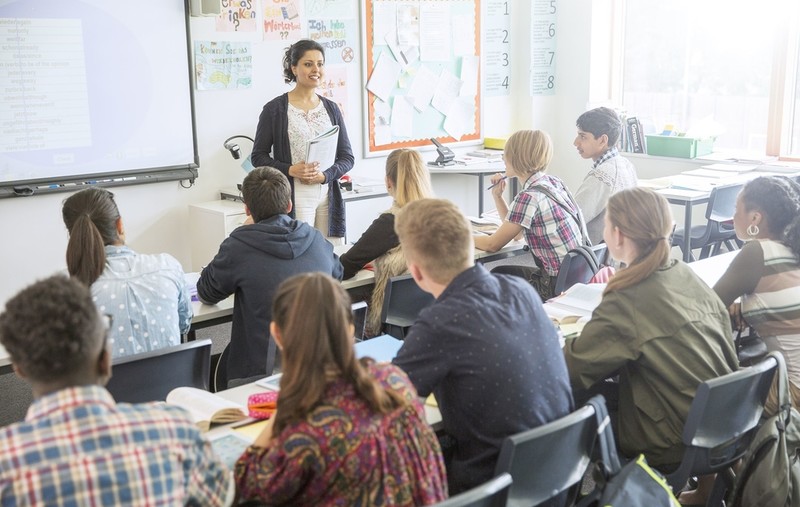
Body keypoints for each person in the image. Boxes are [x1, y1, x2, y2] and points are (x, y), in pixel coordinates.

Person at [392, 198, 573, 494]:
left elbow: (386, 398)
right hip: (557, 476)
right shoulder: (522, 291)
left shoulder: (440, 322)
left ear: (416, 272)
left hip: (490, 489)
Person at [0, 275, 232, 505]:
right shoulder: (175, 429)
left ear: (20, 370)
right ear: (105, 358)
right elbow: (222, 497)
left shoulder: (7, 461)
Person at [234, 273, 447, 506]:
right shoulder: (395, 380)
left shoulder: (304, 428)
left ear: (277, 334)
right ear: (350, 328)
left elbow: (246, 484)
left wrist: (283, 410)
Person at [563, 187, 738, 472]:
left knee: (570, 404)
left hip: (671, 441)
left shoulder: (628, 297)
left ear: (618, 235)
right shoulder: (683, 272)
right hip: (724, 424)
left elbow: (574, 369)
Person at [197, 167, 343, 387]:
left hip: (257, 376)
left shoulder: (239, 245)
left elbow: (206, 292)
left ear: (247, 209)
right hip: (318, 365)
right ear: (289, 205)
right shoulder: (314, 237)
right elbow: (337, 274)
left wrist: (238, 234)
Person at [61, 187, 191, 358]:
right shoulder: (167, 266)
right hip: (174, 383)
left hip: (107, 385)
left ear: (74, 236)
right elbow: (184, 325)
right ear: (120, 225)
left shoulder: (67, 290)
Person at [251, 39, 354, 242]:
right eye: (308, 64)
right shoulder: (275, 110)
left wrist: (325, 175)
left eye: (320, 63)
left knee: (330, 256)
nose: (316, 69)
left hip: (328, 194)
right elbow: (258, 157)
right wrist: (290, 169)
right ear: (294, 68)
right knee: (300, 252)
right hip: (294, 194)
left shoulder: (331, 108)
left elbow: (347, 157)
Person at [713, 176, 800, 413]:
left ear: (755, 218)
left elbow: (707, 307)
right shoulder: (792, 247)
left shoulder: (757, 251)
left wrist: (739, 299)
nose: (732, 217)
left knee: (699, 394)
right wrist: (745, 300)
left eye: (735, 209)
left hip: (793, 392)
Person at [474, 129, 589, 300]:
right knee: (501, 273)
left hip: (552, 286)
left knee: (496, 277)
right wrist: (498, 196)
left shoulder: (529, 196)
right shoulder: (554, 183)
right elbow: (518, 234)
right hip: (576, 278)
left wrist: (460, 235)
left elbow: (492, 245)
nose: (503, 159)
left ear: (518, 157)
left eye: (506, 154)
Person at [339, 148, 434, 335]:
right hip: (434, 313)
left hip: (394, 317)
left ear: (388, 182)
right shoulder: (442, 216)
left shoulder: (391, 223)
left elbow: (345, 266)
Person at [572, 107, 638, 244]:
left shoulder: (602, 175)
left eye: (583, 136)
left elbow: (572, 219)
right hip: (618, 254)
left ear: (602, 140)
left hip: (593, 258)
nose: (576, 142)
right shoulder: (626, 165)